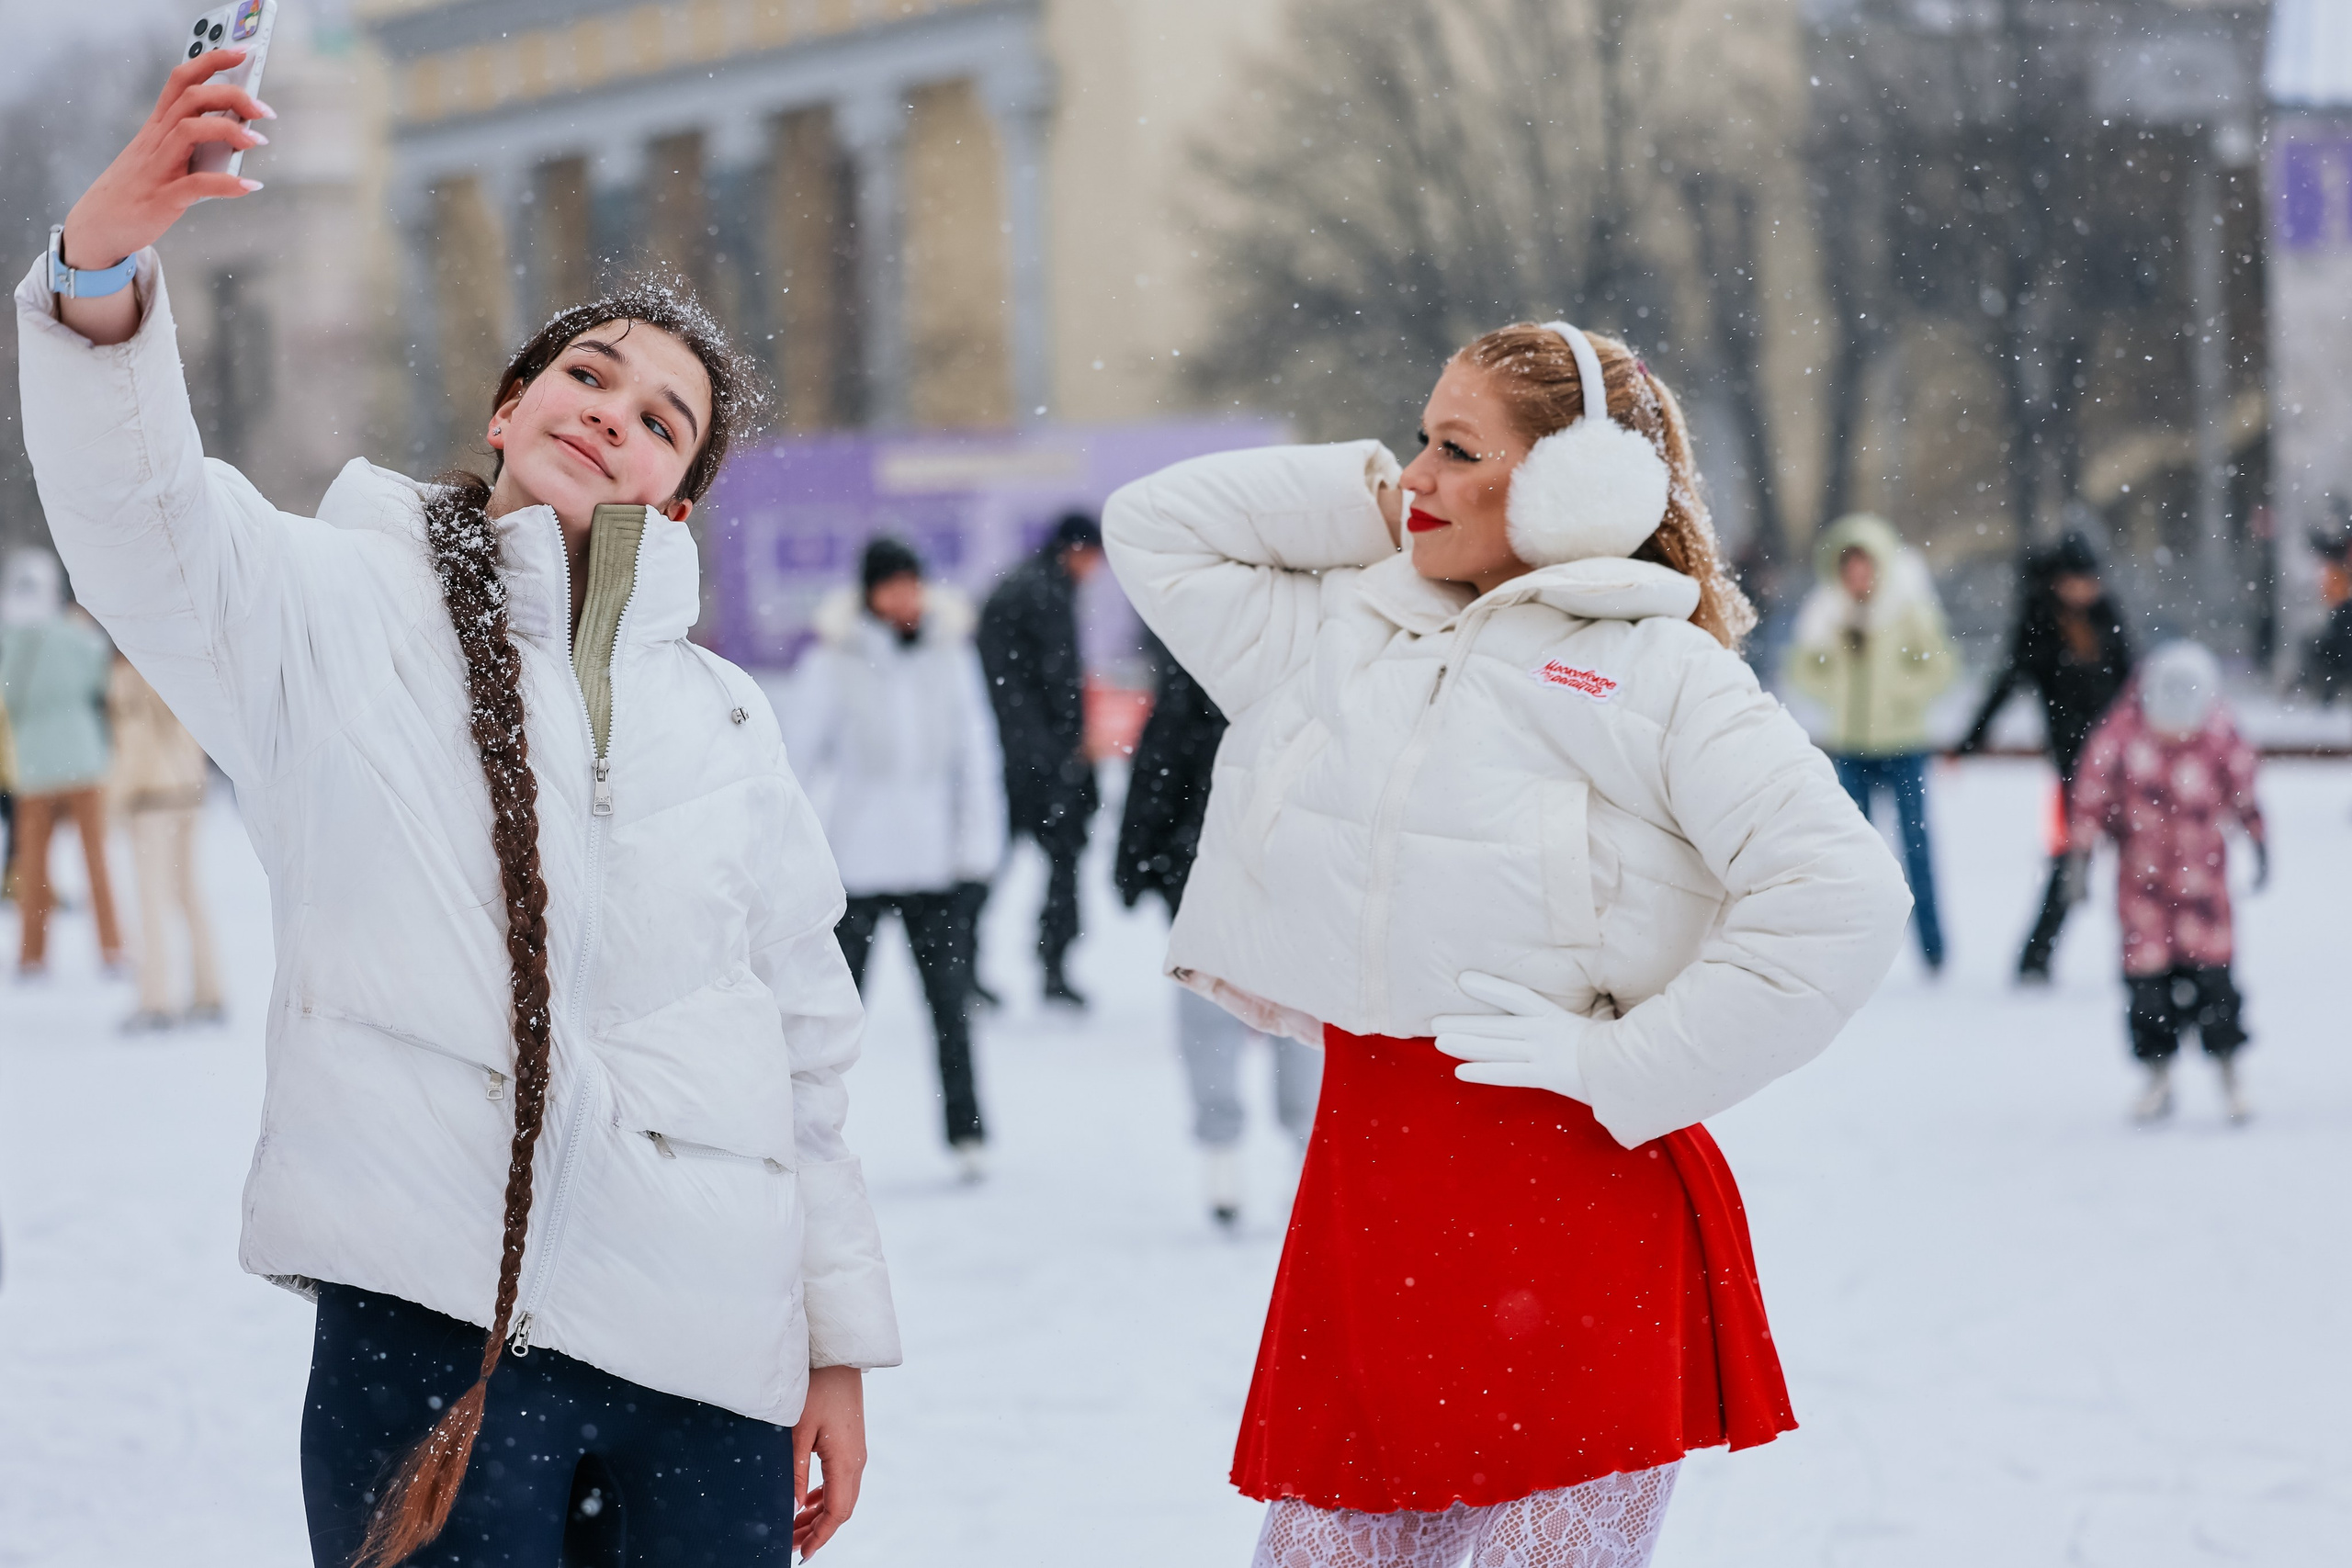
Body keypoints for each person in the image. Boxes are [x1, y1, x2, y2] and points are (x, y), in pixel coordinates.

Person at [23, 51, 897, 1567]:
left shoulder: (727, 721)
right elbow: (141, 519)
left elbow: (801, 1059)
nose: (615, 413)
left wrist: (832, 1345)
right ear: (510, 407)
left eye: (664, 419)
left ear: (673, 502)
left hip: (712, 1367)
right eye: (588, 375)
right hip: (438, 1339)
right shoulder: (331, 608)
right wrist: (98, 267)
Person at [1105, 320, 1909, 1567]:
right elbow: (1155, 525)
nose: (1417, 472)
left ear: (1573, 486)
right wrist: (1389, 502)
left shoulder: (1659, 672)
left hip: (1577, 1212)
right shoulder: (1344, 640)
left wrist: (1630, 1066)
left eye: (1455, 448)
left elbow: (1843, 895)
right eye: (1419, 438)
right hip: (1374, 1213)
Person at [788, 536, 1005, 1182]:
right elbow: (796, 764)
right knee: (832, 1019)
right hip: (857, 869)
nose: (903, 597)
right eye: (890, 585)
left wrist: (975, 854)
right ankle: (804, 1132)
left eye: (912, 583)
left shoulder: (951, 654)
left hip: (935, 869)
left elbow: (977, 753)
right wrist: (802, 859)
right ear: (869, 593)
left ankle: (967, 1133)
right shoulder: (834, 662)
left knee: (950, 1008)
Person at [1115, 646, 1321, 1228]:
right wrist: (1137, 857)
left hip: (1277, 876)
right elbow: (1156, 774)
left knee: (1298, 1017)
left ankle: (1294, 1149)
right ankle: (1224, 1151)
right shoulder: (1199, 674)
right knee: (1217, 1014)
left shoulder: (1303, 670)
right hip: (1208, 876)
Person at [2067, 641, 2266, 1124]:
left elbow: (2244, 789)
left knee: (2216, 988)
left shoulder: (2219, 735)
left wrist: (2259, 839)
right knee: (2147, 990)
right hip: (2143, 890)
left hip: (2204, 893)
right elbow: (2091, 795)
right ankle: (2157, 1077)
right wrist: (2080, 854)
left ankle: (2229, 1075)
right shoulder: (2121, 735)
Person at [1783, 513, 1959, 974]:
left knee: (1916, 851)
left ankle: (1934, 951)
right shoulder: (1826, 613)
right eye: (1849, 567)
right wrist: (1837, 696)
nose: (1857, 576)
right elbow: (1801, 668)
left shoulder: (1909, 610)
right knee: (1849, 859)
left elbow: (1941, 667)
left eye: (1865, 565)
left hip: (1904, 747)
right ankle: (1851, 952)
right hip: (1849, 750)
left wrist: (1899, 696)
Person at [1956, 530, 2134, 981]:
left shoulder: (2105, 615)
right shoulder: (2040, 625)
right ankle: (2036, 958)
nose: (2089, 588)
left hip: (2124, 757)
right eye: (2080, 579)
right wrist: (1971, 740)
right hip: (2075, 762)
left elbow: (2132, 681)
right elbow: (2008, 682)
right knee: (2072, 859)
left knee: (2143, 855)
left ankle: (2155, 952)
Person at [978, 511, 1105, 1007]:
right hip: (1041, 760)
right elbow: (1058, 680)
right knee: (1059, 861)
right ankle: (1052, 965)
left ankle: (963, 964)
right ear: (1075, 549)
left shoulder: (1020, 585)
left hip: (1012, 753)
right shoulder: (1045, 593)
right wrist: (1068, 745)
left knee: (992, 864)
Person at [0, 548, 123, 976]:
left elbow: (8, 697)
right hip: (84, 762)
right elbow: (100, 677)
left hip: (34, 770)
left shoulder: (8, 640)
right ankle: (112, 949)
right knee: (96, 862)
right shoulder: (74, 633)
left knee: (34, 868)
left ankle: (32, 957)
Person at [107, 652, 224, 1031]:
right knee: (189, 894)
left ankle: (156, 999)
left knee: (151, 899)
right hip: (188, 789)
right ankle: (210, 990)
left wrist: (116, 802)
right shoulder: (176, 661)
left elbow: (134, 742)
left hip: (151, 798)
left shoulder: (127, 673)